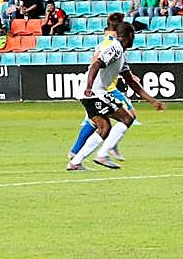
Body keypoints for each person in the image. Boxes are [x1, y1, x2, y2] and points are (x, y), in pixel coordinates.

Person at [66, 21, 165, 172]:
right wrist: (89, 87)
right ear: (130, 36)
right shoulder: (115, 49)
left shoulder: (121, 54)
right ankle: (103, 155)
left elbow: (131, 82)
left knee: (104, 127)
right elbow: (96, 64)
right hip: (95, 92)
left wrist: (152, 101)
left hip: (93, 92)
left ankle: (75, 162)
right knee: (127, 118)